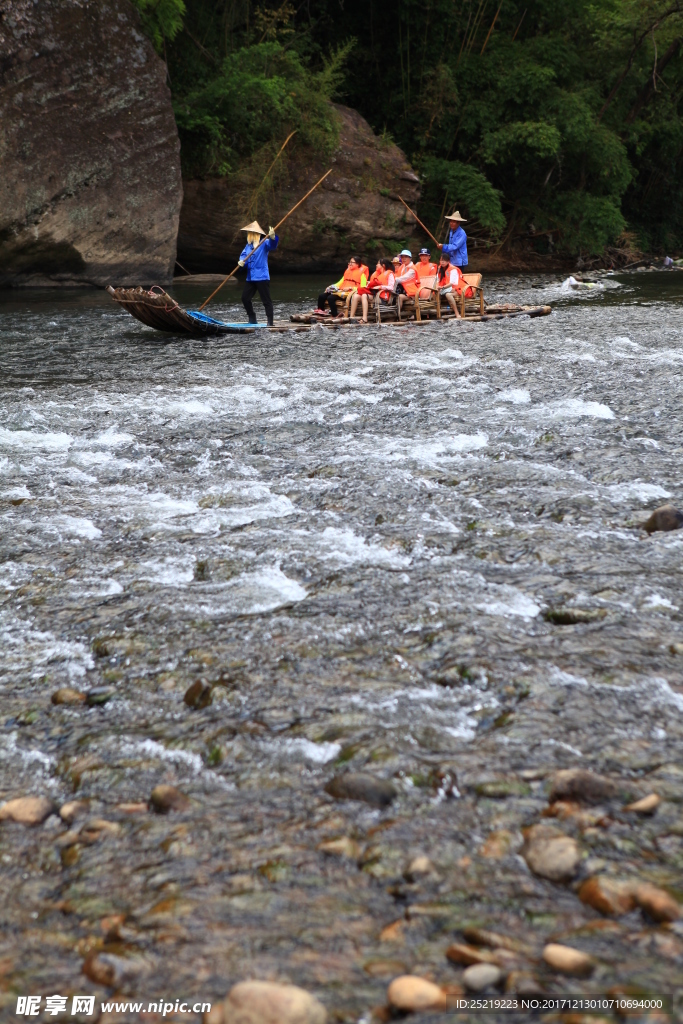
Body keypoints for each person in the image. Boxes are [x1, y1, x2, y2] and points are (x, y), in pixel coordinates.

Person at [238, 220, 278, 326]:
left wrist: (273, 238)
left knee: (266, 300)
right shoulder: (248, 246)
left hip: (262, 276)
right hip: (250, 277)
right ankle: (252, 317)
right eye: (249, 233)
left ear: (256, 234)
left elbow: (272, 245)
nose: (249, 235)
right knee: (245, 298)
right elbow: (243, 257)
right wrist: (241, 263)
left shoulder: (264, 243)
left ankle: (270, 321)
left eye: (251, 233)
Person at [394, 248, 419, 316]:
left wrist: (392, 279)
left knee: (399, 297)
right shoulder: (402, 267)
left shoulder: (412, 269)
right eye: (402, 257)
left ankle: (397, 316)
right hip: (403, 290)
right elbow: (396, 276)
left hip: (411, 293)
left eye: (406, 257)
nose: (403, 258)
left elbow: (401, 279)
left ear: (410, 258)